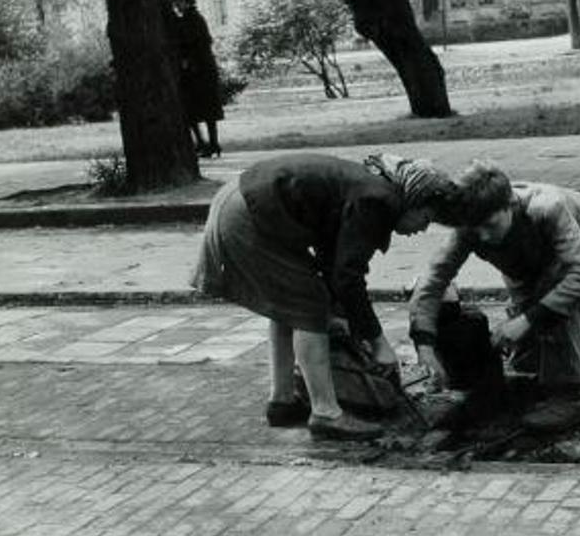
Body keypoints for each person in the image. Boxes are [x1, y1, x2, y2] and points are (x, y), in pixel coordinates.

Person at [191, 153, 460, 440]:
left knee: (292, 304)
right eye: (426, 218)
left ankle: (282, 402)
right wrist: (379, 342)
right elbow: (348, 278)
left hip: (240, 202)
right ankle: (326, 413)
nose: (422, 228)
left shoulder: (374, 189)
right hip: (249, 213)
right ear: (412, 201)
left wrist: (347, 321)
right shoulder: (378, 201)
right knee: (308, 306)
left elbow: (334, 262)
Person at [408, 162, 580, 434]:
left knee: (549, 312)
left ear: (509, 204)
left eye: (489, 225)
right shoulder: (471, 225)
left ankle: (567, 397)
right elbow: (434, 280)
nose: (483, 236)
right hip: (522, 261)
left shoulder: (548, 207)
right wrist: (425, 344)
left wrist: (528, 319)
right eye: (476, 228)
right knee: (527, 361)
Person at [171, 0, 225, 157]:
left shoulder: (192, 19)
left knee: (197, 109)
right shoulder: (191, 19)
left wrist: (187, 60)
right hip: (201, 70)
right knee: (200, 110)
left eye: (179, 2)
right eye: (176, 3)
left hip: (198, 71)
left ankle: (207, 143)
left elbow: (193, 43)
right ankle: (208, 143)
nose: (177, 6)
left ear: (186, 2)